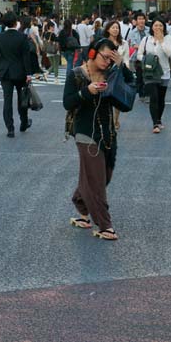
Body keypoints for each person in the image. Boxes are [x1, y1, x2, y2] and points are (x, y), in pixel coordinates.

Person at [63, 38, 133, 241]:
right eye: (105, 57)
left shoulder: (112, 73)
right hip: (85, 132)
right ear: (92, 53)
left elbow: (132, 86)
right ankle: (105, 225)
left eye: (112, 59)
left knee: (105, 175)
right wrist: (87, 91)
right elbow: (68, 102)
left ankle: (81, 202)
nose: (107, 62)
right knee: (96, 181)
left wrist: (122, 66)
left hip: (108, 132)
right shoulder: (76, 75)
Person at [0, 12, 34, 138]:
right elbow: (26, 57)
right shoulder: (22, 37)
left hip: (5, 72)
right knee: (22, 98)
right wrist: (28, 73)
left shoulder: (0, 37)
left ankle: (10, 128)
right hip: (20, 72)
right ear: (16, 22)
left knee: (7, 100)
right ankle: (24, 122)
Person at [137, 19, 171, 133]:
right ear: (152, 27)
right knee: (154, 97)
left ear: (164, 27)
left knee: (161, 99)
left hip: (164, 72)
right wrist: (146, 60)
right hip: (150, 73)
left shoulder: (168, 38)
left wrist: (161, 41)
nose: (158, 27)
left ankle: (159, 119)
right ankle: (155, 124)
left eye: (160, 25)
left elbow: (169, 54)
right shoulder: (146, 39)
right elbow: (139, 54)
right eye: (155, 25)